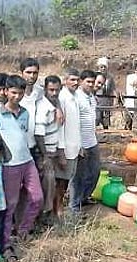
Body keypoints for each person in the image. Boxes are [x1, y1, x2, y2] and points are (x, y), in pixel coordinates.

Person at [0, 75, 43, 262]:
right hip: (9, 166)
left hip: (27, 162)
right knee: (10, 206)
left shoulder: (25, 113)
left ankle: (22, 231)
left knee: (37, 198)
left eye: (20, 93)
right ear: (6, 91)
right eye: (13, 92)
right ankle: (5, 245)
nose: (17, 96)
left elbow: (23, 137)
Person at [70, 70, 101, 213]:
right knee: (78, 176)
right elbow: (74, 123)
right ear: (81, 81)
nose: (91, 85)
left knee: (94, 172)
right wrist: (78, 144)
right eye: (88, 82)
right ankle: (74, 206)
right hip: (81, 143)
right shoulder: (76, 98)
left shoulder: (92, 98)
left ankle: (85, 197)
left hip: (92, 141)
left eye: (92, 82)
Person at [35, 75, 62, 222]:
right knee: (47, 184)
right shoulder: (43, 108)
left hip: (52, 151)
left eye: (57, 90)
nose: (54, 93)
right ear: (45, 89)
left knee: (51, 184)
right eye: (51, 90)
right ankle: (43, 216)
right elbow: (39, 135)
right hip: (44, 153)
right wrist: (45, 156)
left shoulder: (54, 104)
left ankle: (45, 214)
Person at [55, 68, 81, 218]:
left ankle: (59, 210)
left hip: (74, 147)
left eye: (77, 80)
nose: (75, 83)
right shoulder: (62, 98)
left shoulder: (75, 96)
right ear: (65, 81)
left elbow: (75, 125)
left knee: (65, 182)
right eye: (72, 79)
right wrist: (61, 151)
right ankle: (57, 211)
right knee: (61, 182)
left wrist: (80, 146)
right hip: (65, 148)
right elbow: (60, 127)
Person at [19, 58, 44, 161]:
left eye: (35, 73)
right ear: (21, 73)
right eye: (28, 72)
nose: (32, 76)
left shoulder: (40, 92)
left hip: (34, 145)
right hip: (18, 147)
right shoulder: (15, 94)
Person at [96, 57, 116, 129]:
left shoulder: (110, 77)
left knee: (106, 121)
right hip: (97, 100)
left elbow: (113, 89)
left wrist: (114, 102)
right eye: (102, 67)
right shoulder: (95, 76)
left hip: (107, 100)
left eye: (104, 67)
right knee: (96, 119)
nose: (103, 69)